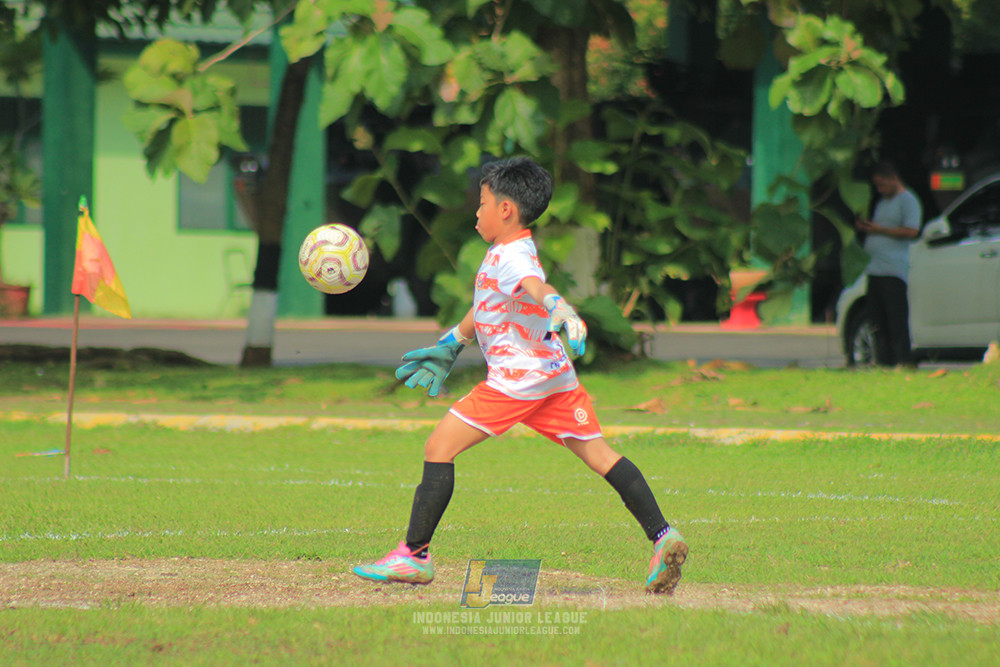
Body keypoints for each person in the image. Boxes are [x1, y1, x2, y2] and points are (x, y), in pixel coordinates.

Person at [352, 157, 688, 594]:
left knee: (438, 447)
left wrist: (559, 306)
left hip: (517, 382)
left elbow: (536, 287)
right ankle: (664, 536)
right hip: (554, 377)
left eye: (483, 202)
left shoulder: (513, 257)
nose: (477, 212)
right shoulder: (511, 251)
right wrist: (452, 342)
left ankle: (413, 556)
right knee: (602, 456)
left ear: (505, 210)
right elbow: (490, 302)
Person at [856, 162, 922, 366]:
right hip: (875, 270)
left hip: (893, 270)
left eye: (882, 184)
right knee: (877, 320)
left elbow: (912, 231)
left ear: (894, 178)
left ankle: (902, 361)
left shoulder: (908, 200)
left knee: (896, 319)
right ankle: (883, 362)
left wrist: (880, 230)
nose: (880, 189)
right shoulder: (883, 202)